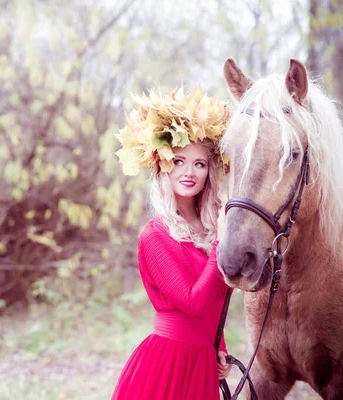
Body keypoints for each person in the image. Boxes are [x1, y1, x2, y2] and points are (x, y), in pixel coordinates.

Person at [112, 87, 232, 400]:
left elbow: (217, 299)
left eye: (200, 164)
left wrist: (219, 347)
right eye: (178, 161)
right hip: (166, 364)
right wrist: (220, 241)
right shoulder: (155, 235)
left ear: (210, 171)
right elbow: (192, 303)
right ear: (162, 165)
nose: (189, 172)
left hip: (202, 363)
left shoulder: (210, 229)